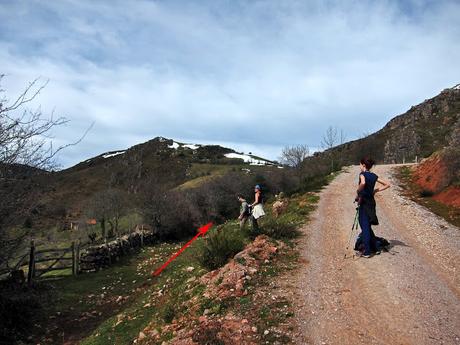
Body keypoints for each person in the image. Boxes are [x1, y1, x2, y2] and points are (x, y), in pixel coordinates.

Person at [355, 157, 390, 258]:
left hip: (364, 203)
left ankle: (367, 252)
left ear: (364, 165)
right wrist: (375, 191)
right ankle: (376, 247)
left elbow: (363, 182)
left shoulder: (362, 174)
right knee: (367, 226)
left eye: (360, 165)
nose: (359, 166)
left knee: (364, 226)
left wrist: (358, 191)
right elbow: (387, 184)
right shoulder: (374, 176)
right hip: (371, 203)